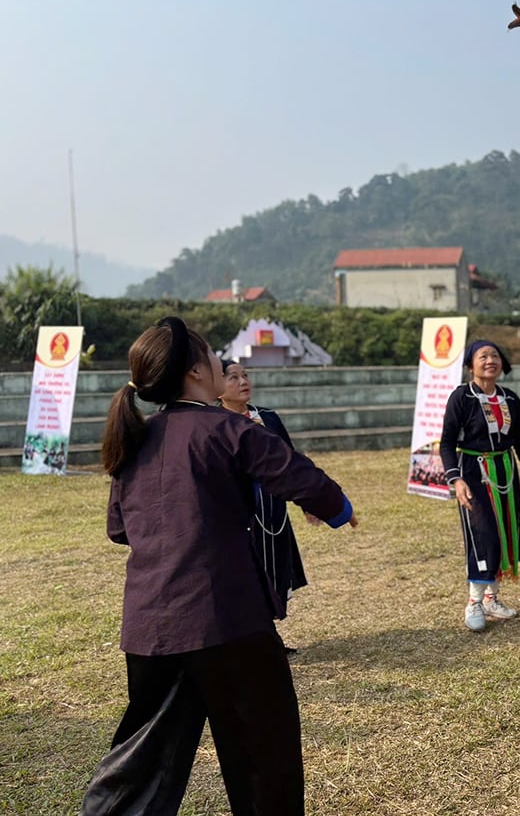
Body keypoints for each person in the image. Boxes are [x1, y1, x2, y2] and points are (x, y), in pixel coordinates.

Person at [81, 317, 357, 816]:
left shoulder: (136, 438)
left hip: (150, 628)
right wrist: (339, 508)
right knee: (262, 757)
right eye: (212, 356)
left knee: (141, 768)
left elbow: (119, 529)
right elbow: (299, 475)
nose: (220, 363)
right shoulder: (228, 427)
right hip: (228, 620)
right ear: (194, 372)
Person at [440, 340, 520, 632]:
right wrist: (456, 479)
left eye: (495, 356)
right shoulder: (461, 397)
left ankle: (491, 598)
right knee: (483, 533)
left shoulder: (510, 398)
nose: (490, 361)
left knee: (504, 533)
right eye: (483, 356)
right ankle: (474, 602)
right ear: (470, 365)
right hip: (473, 472)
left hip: (505, 471)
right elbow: (447, 443)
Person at [219, 360, 313, 652]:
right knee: (242, 577)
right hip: (235, 515)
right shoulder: (213, 423)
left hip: (272, 512)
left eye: (245, 375)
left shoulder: (268, 418)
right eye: (233, 377)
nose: (243, 381)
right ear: (217, 386)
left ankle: (266, 639)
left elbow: (291, 463)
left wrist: (308, 502)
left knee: (273, 573)